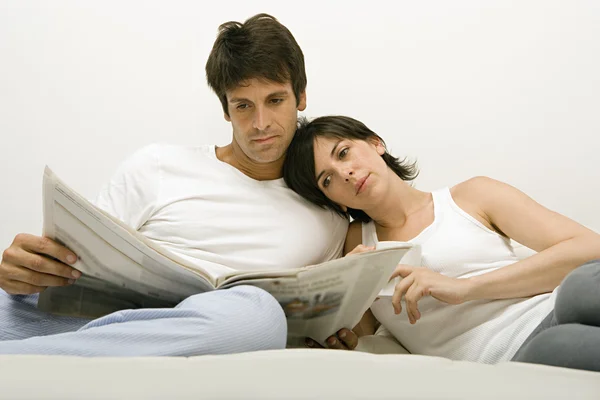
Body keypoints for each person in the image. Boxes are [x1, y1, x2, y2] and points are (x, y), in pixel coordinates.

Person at [0, 14, 349, 356]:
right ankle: (76, 349)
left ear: (300, 97)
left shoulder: (327, 217)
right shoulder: (157, 166)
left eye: (275, 100)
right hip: (107, 318)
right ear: (226, 110)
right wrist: (25, 268)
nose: (260, 123)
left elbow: (327, 313)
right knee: (9, 303)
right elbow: (80, 261)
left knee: (261, 316)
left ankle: (22, 359)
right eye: (243, 105)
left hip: (219, 323)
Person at [283, 115, 600, 371]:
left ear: (375, 143)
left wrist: (464, 288)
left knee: (580, 290)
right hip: (517, 353)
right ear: (331, 199)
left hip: (555, 307)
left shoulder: (472, 196)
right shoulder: (357, 246)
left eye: (343, 152)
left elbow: (590, 249)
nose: (345, 173)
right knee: (557, 344)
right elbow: (357, 332)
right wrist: (335, 335)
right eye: (327, 180)